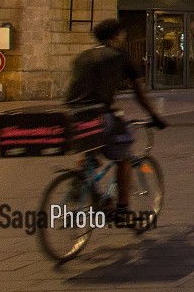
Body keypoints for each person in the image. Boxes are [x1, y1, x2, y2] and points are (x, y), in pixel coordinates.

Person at [65, 18, 169, 225]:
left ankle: (81, 179)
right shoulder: (119, 56)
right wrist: (155, 116)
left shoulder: (82, 57)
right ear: (116, 36)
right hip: (100, 115)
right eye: (121, 35)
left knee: (91, 145)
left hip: (74, 116)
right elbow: (139, 92)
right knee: (124, 157)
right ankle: (123, 210)